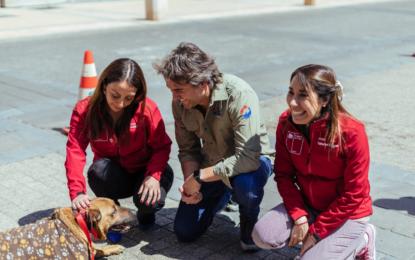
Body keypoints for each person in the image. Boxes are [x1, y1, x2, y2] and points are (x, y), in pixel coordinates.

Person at [153, 42, 275, 251]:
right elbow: (188, 149)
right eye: (171, 90)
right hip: (213, 166)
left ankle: (248, 222)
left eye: (179, 90)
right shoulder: (180, 103)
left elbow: (247, 157)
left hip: (251, 162)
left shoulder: (238, 94)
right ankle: (225, 193)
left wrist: (200, 177)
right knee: (185, 231)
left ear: (202, 83)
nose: (174, 98)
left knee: (245, 187)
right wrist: (191, 187)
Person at [252, 64, 376, 259]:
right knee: (262, 236)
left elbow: (354, 194)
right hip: (309, 205)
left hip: (349, 214)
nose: (292, 103)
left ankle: (364, 240)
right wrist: (299, 216)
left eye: (302, 95)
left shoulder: (351, 132)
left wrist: (316, 231)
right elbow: (283, 175)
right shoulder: (286, 123)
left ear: (325, 99)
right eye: (291, 92)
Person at [65, 58, 173, 240]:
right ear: (104, 85)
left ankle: (145, 213)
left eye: (129, 98)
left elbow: (162, 146)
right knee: (98, 170)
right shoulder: (84, 110)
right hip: (114, 176)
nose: (121, 103)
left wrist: (153, 176)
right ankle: (112, 220)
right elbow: (75, 149)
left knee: (151, 201)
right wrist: (77, 192)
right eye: (115, 95)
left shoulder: (147, 109)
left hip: (144, 172)